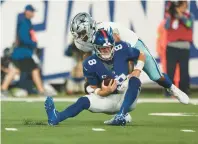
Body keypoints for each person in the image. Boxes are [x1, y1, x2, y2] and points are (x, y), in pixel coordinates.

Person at [70, 12, 189, 104]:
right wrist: (89, 76)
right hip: (107, 51)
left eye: (82, 33)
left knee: (155, 75)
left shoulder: (108, 29)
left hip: (130, 43)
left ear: (90, 27)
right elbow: (88, 56)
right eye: (78, 34)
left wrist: (130, 74)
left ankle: (172, 88)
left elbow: (123, 51)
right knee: (109, 79)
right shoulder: (80, 42)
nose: (80, 37)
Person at [45, 28, 144, 126]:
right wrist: (104, 92)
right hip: (108, 100)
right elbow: (91, 87)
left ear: (113, 46)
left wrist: (138, 69)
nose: (106, 50)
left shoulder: (122, 48)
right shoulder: (90, 63)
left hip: (126, 97)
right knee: (83, 101)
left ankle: (121, 114)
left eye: (108, 47)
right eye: (102, 48)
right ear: (96, 48)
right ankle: (56, 117)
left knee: (134, 80)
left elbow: (141, 54)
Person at [1, 5, 46, 96]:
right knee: (34, 69)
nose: (33, 13)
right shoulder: (25, 23)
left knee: (14, 70)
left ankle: (3, 89)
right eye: (32, 11)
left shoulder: (25, 22)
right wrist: (34, 44)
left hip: (20, 53)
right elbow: (24, 38)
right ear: (27, 12)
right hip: (23, 53)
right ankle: (41, 91)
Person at [164, 1, 193, 94]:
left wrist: (180, 16)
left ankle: (184, 89)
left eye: (185, 6)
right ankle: (169, 90)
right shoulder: (170, 17)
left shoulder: (189, 16)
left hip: (184, 47)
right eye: (182, 6)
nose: (184, 7)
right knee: (170, 70)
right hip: (172, 46)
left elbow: (189, 24)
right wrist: (170, 15)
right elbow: (167, 27)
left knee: (184, 70)